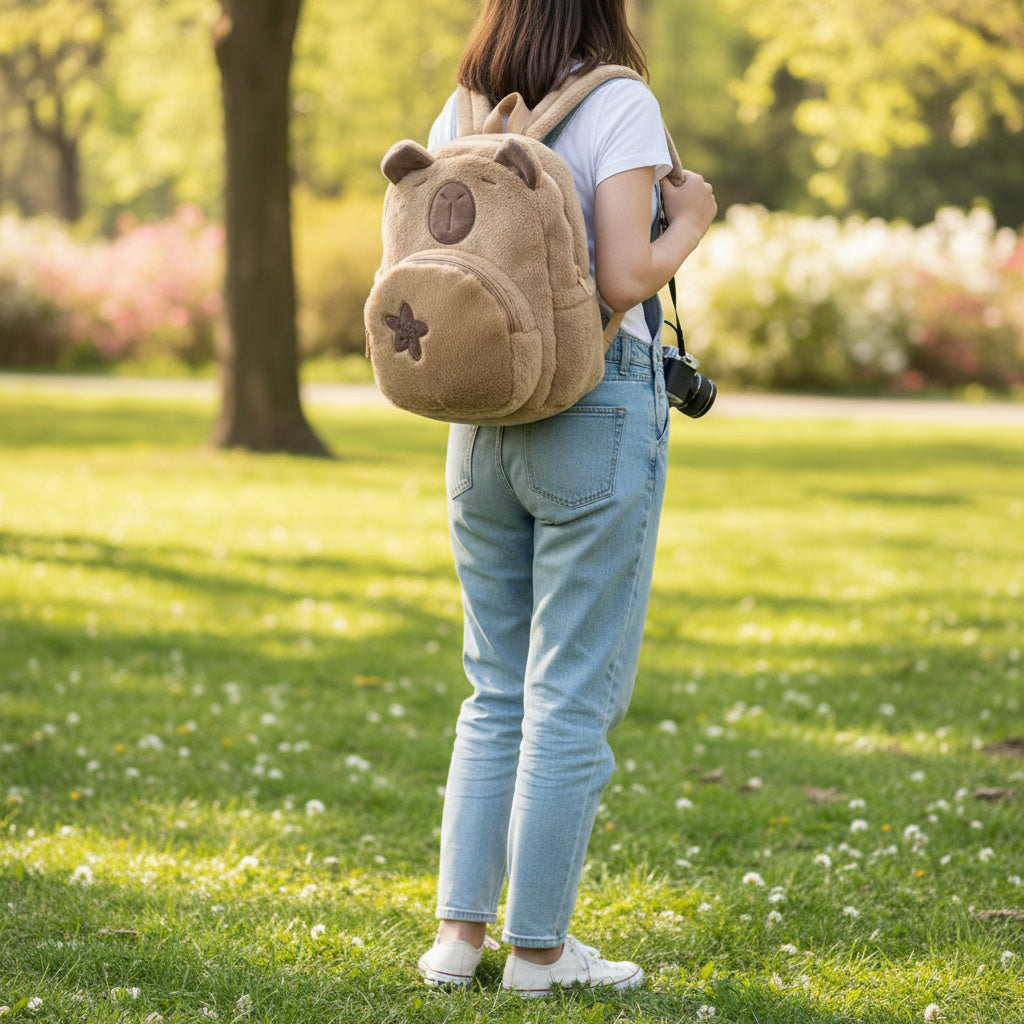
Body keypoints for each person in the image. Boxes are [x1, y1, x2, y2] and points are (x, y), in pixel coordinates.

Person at [416, 0, 717, 998]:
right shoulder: (619, 102)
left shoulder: (465, 107)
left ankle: (458, 940)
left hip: (480, 418)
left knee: (493, 685)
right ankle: (540, 954)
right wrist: (693, 224)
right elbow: (627, 274)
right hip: (591, 409)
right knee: (569, 696)